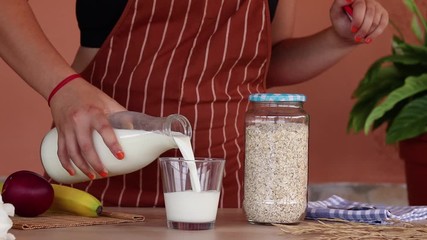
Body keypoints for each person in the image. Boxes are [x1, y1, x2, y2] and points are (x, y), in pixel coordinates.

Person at [0, 0, 388, 208]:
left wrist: (338, 39)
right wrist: (63, 88)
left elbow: (265, 60)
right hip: (99, 179)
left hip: (229, 193)